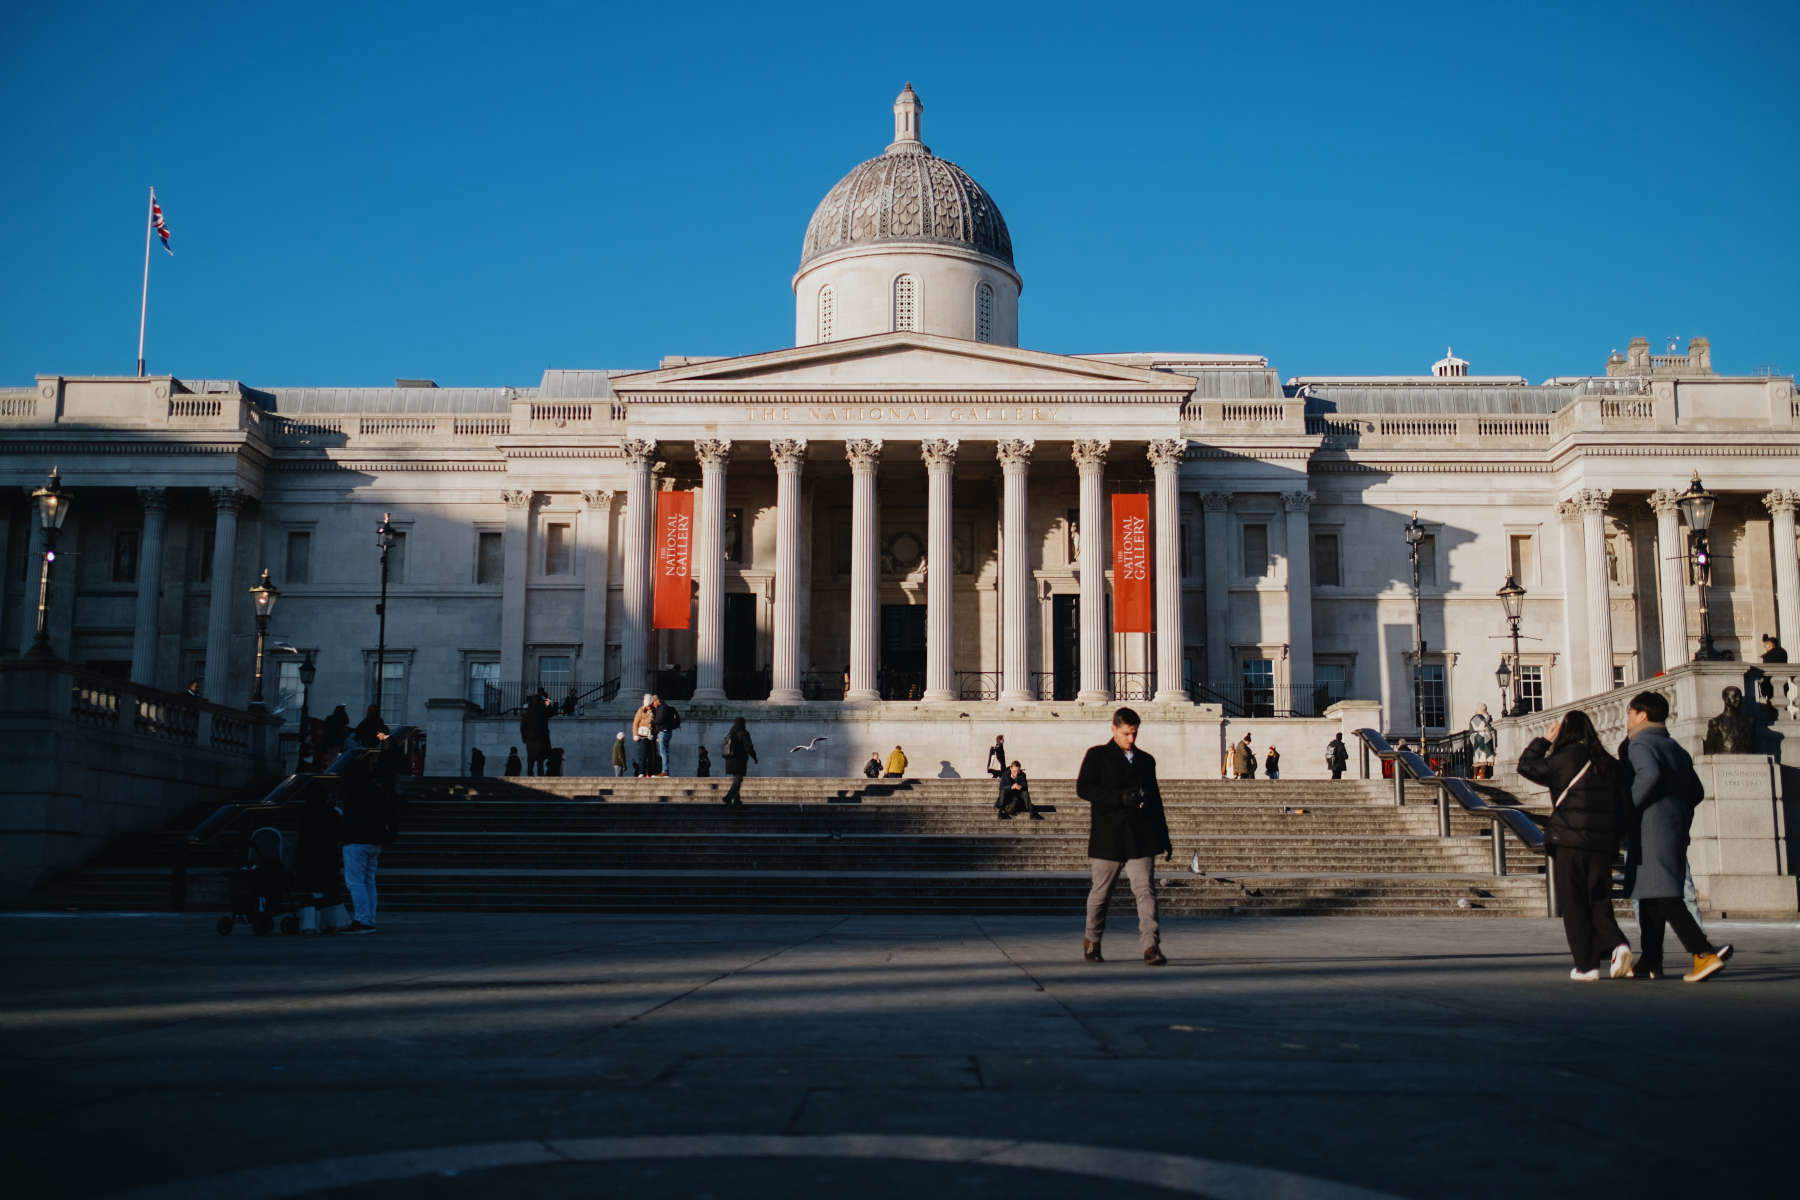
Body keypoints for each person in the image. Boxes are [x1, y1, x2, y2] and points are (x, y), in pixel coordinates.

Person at [1619, 691, 1733, 982]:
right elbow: (1696, 791)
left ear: (1642, 715)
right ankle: (1651, 961)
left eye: (1630, 713)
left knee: (1666, 895)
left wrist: (1629, 807)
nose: (1628, 719)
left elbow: (1649, 775)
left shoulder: (1640, 743)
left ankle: (1703, 953)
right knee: (1649, 893)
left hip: (1649, 826)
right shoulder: (1673, 746)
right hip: (1674, 825)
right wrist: (1677, 812)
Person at [1517, 710, 1632, 981]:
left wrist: (1543, 741)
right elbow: (1623, 805)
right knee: (1599, 898)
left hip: (1569, 841)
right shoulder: (1608, 763)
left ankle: (1586, 965)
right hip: (1602, 843)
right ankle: (1618, 944)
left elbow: (1526, 766)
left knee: (1574, 903)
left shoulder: (1561, 760)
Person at [1077, 708, 1170, 966]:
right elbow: (1083, 788)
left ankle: (1151, 946)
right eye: (1126, 733)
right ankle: (1092, 940)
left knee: (1146, 892)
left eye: (1134, 733)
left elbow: (1155, 800)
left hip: (1141, 836)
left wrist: (1164, 837)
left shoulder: (1146, 760)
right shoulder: (1097, 755)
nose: (1131, 738)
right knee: (1100, 894)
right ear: (1114, 729)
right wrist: (1119, 798)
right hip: (1109, 834)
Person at [340, 740, 399, 934]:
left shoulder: (352, 789)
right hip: (375, 838)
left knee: (355, 881)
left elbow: (348, 814)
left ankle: (362, 919)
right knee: (368, 881)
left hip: (356, 839)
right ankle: (369, 918)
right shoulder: (377, 788)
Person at [293, 788, 347, 934]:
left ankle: (309, 924)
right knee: (329, 889)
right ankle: (334, 922)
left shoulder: (305, 815)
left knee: (311, 890)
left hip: (308, 857)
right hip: (328, 856)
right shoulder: (333, 815)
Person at [721, 717, 756, 805]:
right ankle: (728, 797)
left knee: (736, 779)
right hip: (739, 760)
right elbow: (748, 746)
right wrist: (754, 757)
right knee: (738, 779)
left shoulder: (731, 733)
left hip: (730, 760)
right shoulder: (743, 733)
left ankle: (737, 798)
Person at [521, 691, 553, 777]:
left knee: (531, 759)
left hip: (531, 738)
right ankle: (539, 775)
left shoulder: (527, 713)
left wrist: (524, 738)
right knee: (540, 760)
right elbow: (551, 710)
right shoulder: (543, 710)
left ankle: (530, 774)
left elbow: (523, 726)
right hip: (541, 738)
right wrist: (547, 698)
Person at [652, 695, 682, 777]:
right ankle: (665, 770)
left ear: (657, 700)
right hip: (666, 732)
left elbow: (659, 720)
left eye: (653, 702)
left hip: (663, 732)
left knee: (663, 752)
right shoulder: (665, 707)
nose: (653, 704)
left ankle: (665, 771)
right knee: (665, 751)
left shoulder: (662, 708)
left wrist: (652, 721)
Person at [1468, 704, 1497, 780]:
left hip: (1480, 739)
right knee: (1482, 757)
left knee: (1479, 758)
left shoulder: (1476, 718)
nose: (1486, 710)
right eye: (1485, 709)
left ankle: (1477, 775)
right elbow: (1484, 725)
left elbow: (1488, 727)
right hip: (1481, 739)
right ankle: (1480, 775)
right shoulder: (1478, 717)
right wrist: (1487, 717)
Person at [631, 694, 657, 776]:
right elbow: (635, 723)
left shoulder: (654, 711)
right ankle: (641, 772)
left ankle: (650, 772)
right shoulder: (640, 710)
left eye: (650, 705)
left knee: (651, 755)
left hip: (651, 736)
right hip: (642, 736)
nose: (649, 707)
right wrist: (635, 734)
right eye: (648, 705)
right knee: (642, 755)